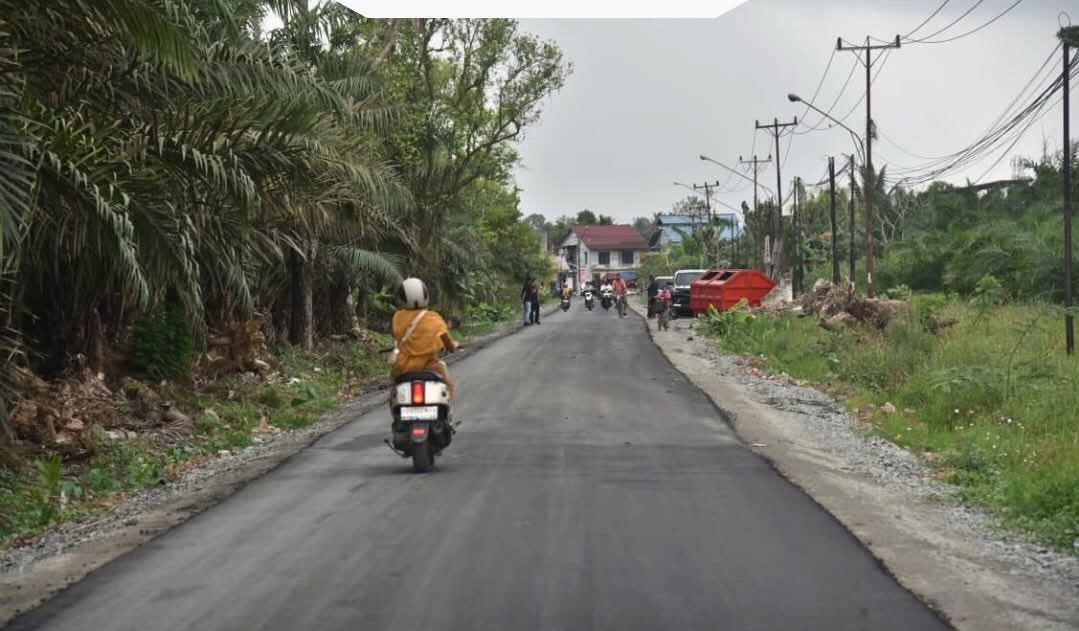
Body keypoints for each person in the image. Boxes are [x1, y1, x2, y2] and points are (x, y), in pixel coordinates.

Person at [390, 277, 459, 405]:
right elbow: (447, 342)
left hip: (404, 367)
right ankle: (448, 413)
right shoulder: (434, 318)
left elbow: (397, 336)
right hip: (430, 366)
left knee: (394, 389)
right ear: (426, 295)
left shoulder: (397, 317)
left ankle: (396, 412)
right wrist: (453, 347)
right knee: (448, 386)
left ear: (402, 298)